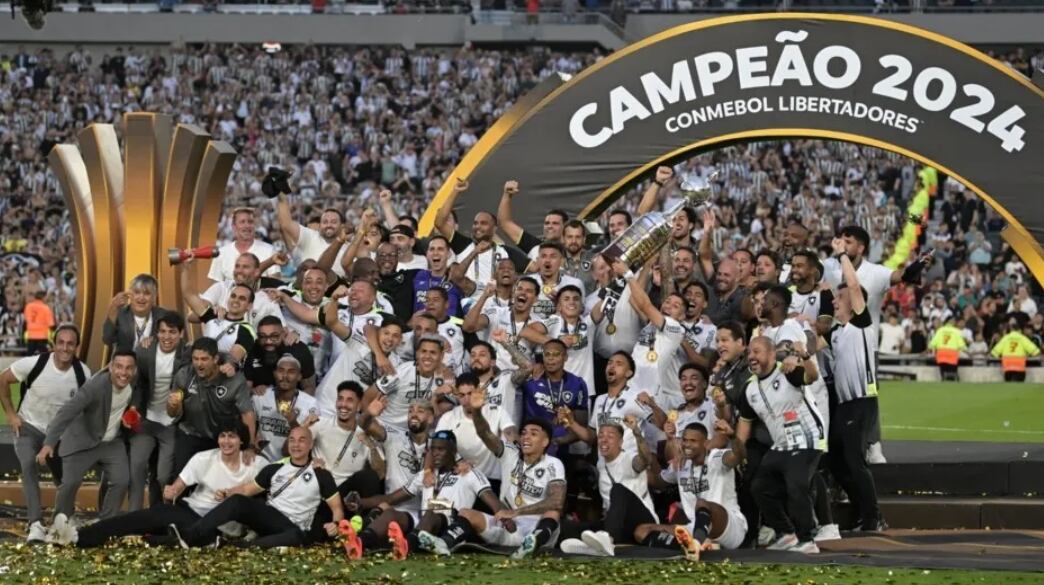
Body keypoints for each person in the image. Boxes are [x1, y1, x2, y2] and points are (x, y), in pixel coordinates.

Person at [64, 420, 266, 547]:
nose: (226, 442)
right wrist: (172, 491)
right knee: (141, 518)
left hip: (219, 526)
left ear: (242, 440)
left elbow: (268, 493)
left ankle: (170, 537)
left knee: (190, 530)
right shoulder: (204, 458)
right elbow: (177, 487)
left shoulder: (256, 464)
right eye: (223, 436)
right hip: (190, 513)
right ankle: (81, 537)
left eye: (232, 436)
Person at [433, 389, 565, 560]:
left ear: (545, 442)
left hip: (538, 528)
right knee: (466, 513)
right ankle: (442, 544)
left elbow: (557, 501)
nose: (526, 437)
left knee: (553, 512)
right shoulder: (510, 453)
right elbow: (485, 434)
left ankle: (531, 545)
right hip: (509, 526)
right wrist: (477, 411)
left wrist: (517, 512)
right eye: (524, 433)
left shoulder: (553, 464)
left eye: (533, 434)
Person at [173, 426, 345, 548]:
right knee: (238, 501)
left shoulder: (321, 474)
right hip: (271, 518)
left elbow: (337, 507)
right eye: (292, 440)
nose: (296, 445)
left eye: (302, 440)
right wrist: (228, 492)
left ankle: (242, 545)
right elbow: (248, 490)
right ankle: (190, 535)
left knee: (296, 537)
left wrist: (336, 524)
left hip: (293, 527)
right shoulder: (274, 469)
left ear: (310, 445)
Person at [734, 337, 823, 554]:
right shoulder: (749, 390)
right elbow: (744, 426)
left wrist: (805, 356)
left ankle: (808, 539)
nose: (752, 357)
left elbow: (812, 376)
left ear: (772, 354)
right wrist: (737, 453)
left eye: (757, 352)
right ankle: (787, 533)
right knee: (759, 487)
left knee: (796, 485)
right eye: (749, 354)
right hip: (781, 445)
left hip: (806, 439)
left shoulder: (787, 370)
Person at [0, 325, 89, 541]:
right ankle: (36, 523)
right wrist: (11, 415)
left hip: (59, 435)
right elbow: (3, 379)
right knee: (28, 464)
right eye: (61, 342)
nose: (65, 348)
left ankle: (65, 517)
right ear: (54, 345)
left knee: (66, 478)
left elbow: (86, 407)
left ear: (76, 347)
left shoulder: (82, 373)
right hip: (28, 427)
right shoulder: (34, 363)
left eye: (70, 344)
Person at [826, 242, 884, 533]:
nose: (835, 302)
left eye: (840, 297)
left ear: (854, 300)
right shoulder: (838, 333)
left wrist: (841, 255)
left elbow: (853, 284)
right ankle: (864, 508)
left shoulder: (862, 325)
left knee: (853, 459)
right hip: (845, 404)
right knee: (835, 458)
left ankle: (873, 517)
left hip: (861, 401)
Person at [39, 351, 137, 526]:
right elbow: (67, 411)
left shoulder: (133, 382)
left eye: (129, 368)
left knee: (121, 480)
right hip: (83, 439)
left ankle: (105, 524)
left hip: (112, 441)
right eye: (119, 367)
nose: (124, 372)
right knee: (70, 483)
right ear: (111, 367)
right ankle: (61, 523)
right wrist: (49, 443)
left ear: (134, 370)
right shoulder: (96, 386)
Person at [638, 421, 747, 559]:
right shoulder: (681, 464)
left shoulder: (716, 457)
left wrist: (732, 437)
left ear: (706, 443)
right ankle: (690, 547)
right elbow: (658, 482)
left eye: (693, 441)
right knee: (642, 531)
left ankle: (695, 545)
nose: (687, 444)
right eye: (684, 440)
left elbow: (738, 456)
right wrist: (637, 469)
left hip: (729, 527)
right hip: (696, 527)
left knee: (702, 503)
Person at [558, 418, 657, 556]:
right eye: (601, 436)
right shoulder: (601, 464)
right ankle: (593, 548)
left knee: (618, 489)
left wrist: (637, 432)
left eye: (610, 436)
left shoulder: (628, 459)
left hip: (642, 520)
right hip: (616, 524)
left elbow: (646, 460)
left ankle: (608, 541)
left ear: (621, 442)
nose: (604, 440)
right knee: (567, 528)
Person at [168, 337, 258, 474]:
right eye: (195, 359)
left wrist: (250, 445)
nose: (199, 364)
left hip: (222, 439)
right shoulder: (184, 375)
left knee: (218, 482)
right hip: (190, 434)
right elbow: (172, 413)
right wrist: (173, 405)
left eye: (204, 359)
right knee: (181, 479)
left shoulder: (234, 379)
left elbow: (247, 413)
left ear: (215, 359)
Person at [128, 313, 190, 511]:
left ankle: (164, 517)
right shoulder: (144, 351)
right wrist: (133, 409)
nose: (167, 337)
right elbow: (135, 384)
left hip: (171, 424)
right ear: (156, 333)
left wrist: (229, 363)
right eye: (162, 331)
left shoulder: (188, 354)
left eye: (172, 332)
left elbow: (215, 354)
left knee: (164, 476)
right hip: (146, 420)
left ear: (181, 334)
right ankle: (133, 516)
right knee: (136, 467)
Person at [307, 381, 383, 499]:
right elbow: (289, 451)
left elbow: (380, 474)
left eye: (349, 400)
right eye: (340, 399)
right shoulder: (320, 424)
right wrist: (303, 426)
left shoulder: (365, 435)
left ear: (358, 406)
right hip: (317, 489)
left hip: (344, 495)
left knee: (369, 477)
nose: (343, 404)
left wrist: (372, 447)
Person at [436, 373, 516, 485]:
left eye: (470, 393)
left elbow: (511, 437)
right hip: (461, 477)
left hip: (492, 479)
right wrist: (457, 462)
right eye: (462, 395)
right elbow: (437, 447)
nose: (467, 399)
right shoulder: (448, 417)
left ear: (479, 391)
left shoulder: (497, 411)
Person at [179, 261, 256, 366]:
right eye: (233, 296)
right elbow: (188, 295)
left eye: (242, 298)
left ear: (249, 306)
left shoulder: (247, 330)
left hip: (221, 378)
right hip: (199, 372)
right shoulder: (213, 315)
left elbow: (231, 361)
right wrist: (185, 269)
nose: (236, 300)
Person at [519, 340, 589, 455]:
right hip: (531, 444)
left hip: (561, 446)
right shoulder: (530, 381)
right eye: (547, 354)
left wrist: (556, 442)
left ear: (565, 357)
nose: (550, 359)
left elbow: (581, 428)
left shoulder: (577, 384)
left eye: (556, 354)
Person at [252, 355, 319, 462]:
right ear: (274, 373)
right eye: (281, 371)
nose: (285, 376)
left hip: (291, 462)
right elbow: (250, 428)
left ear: (299, 376)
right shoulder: (260, 397)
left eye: (291, 372)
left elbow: (309, 441)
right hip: (261, 460)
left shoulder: (311, 404)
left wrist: (292, 422)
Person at [276, 192, 349, 276]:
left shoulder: (349, 248)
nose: (329, 225)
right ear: (320, 225)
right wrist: (282, 196)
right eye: (325, 222)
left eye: (333, 222)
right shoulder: (310, 237)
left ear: (342, 226)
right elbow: (285, 223)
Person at [242, 316, 316, 394]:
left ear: (283, 334)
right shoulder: (252, 349)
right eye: (263, 336)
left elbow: (310, 388)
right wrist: (254, 391)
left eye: (274, 336)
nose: (268, 341)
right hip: (261, 400)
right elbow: (245, 390)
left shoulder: (299, 350)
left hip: (294, 401)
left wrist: (294, 401)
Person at [102, 274, 170, 354]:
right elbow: (107, 340)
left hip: (153, 364)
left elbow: (173, 341)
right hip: (125, 364)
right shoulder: (120, 314)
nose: (141, 297)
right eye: (137, 292)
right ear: (130, 295)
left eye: (147, 293)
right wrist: (113, 309)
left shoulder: (164, 316)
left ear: (154, 297)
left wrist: (156, 342)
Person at [208, 207, 277, 283]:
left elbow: (275, 284)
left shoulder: (269, 250)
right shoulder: (221, 253)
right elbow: (215, 287)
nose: (247, 225)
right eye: (242, 222)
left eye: (250, 222)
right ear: (234, 227)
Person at [928, 316, 968, 381]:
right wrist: (968, 352)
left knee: (943, 372)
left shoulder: (940, 330)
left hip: (941, 353)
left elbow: (932, 343)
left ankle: (943, 382)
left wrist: (928, 350)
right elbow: (961, 345)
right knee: (952, 372)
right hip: (952, 354)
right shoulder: (956, 331)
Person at [22, 290, 54, 355]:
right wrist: (52, 338)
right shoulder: (45, 308)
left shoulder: (28, 306)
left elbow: (25, 321)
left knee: (29, 354)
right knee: (45, 355)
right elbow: (51, 324)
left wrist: (23, 336)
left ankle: (27, 365)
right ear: (43, 297)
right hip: (42, 336)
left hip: (30, 335)